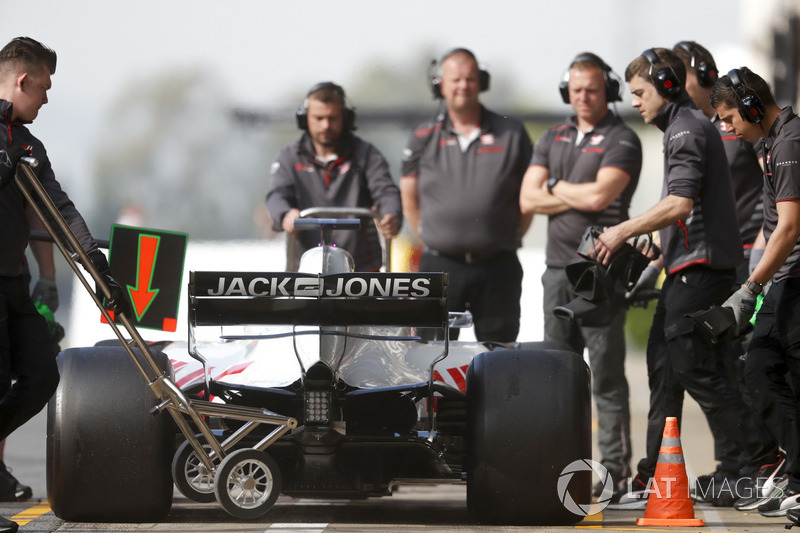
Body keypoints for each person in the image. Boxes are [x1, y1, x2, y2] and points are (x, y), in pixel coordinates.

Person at [595, 48, 773, 509]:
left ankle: (764, 459)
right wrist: (654, 247)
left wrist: (621, 230)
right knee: (665, 369)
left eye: (640, 93)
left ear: (666, 86)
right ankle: (653, 477)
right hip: (684, 268)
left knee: (697, 367)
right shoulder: (681, 128)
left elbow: (680, 203)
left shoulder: (687, 130)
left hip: (703, 270)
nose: (633, 102)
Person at [0, 36, 128, 533]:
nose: (48, 100)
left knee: (41, 376)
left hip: (13, 282)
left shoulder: (29, 144)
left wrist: (100, 271)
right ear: (23, 80)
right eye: (44, 88)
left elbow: (61, 211)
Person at [519, 52, 642, 495]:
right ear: (565, 92)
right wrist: (567, 192)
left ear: (607, 90)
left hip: (602, 275)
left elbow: (598, 199)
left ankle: (615, 473)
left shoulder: (622, 138)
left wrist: (554, 187)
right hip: (557, 272)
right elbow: (527, 200)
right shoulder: (552, 136)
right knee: (555, 379)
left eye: (591, 89)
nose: (584, 97)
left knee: (606, 380)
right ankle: (560, 468)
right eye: (576, 91)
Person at [672, 41, 782, 507]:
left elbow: (776, 201)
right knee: (727, 366)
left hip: (752, 256)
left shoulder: (750, 132)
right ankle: (734, 466)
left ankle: (761, 463)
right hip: (740, 258)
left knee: (745, 366)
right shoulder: (697, 127)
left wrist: (755, 271)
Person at [711, 67, 800, 519]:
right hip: (781, 279)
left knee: (775, 374)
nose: (726, 128)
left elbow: (789, 227)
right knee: (761, 371)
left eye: (728, 117)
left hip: (794, 281)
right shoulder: (769, 143)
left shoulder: (788, 143)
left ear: (750, 107)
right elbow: (772, 227)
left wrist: (752, 287)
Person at [400, 48, 533, 342]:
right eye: (456, 79)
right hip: (439, 267)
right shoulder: (422, 136)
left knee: (500, 358)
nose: (463, 86)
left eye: (470, 79)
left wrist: (505, 236)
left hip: (498, 267)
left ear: (481, 82)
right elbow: (408, 194)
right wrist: (429, 239)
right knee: (431, 359)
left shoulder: (512, 133)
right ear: (441, 84)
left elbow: (529, 194)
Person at [266, 81, 401, 272]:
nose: (326, 125)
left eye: (332, 118)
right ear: (305, 119)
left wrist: (391, 214)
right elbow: (276, 195)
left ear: (345, 119)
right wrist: (285, 214)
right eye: (319, 118)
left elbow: (386, 191)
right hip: (305, 270)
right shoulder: (289, 158)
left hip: (361, 272)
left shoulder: (366, 155)